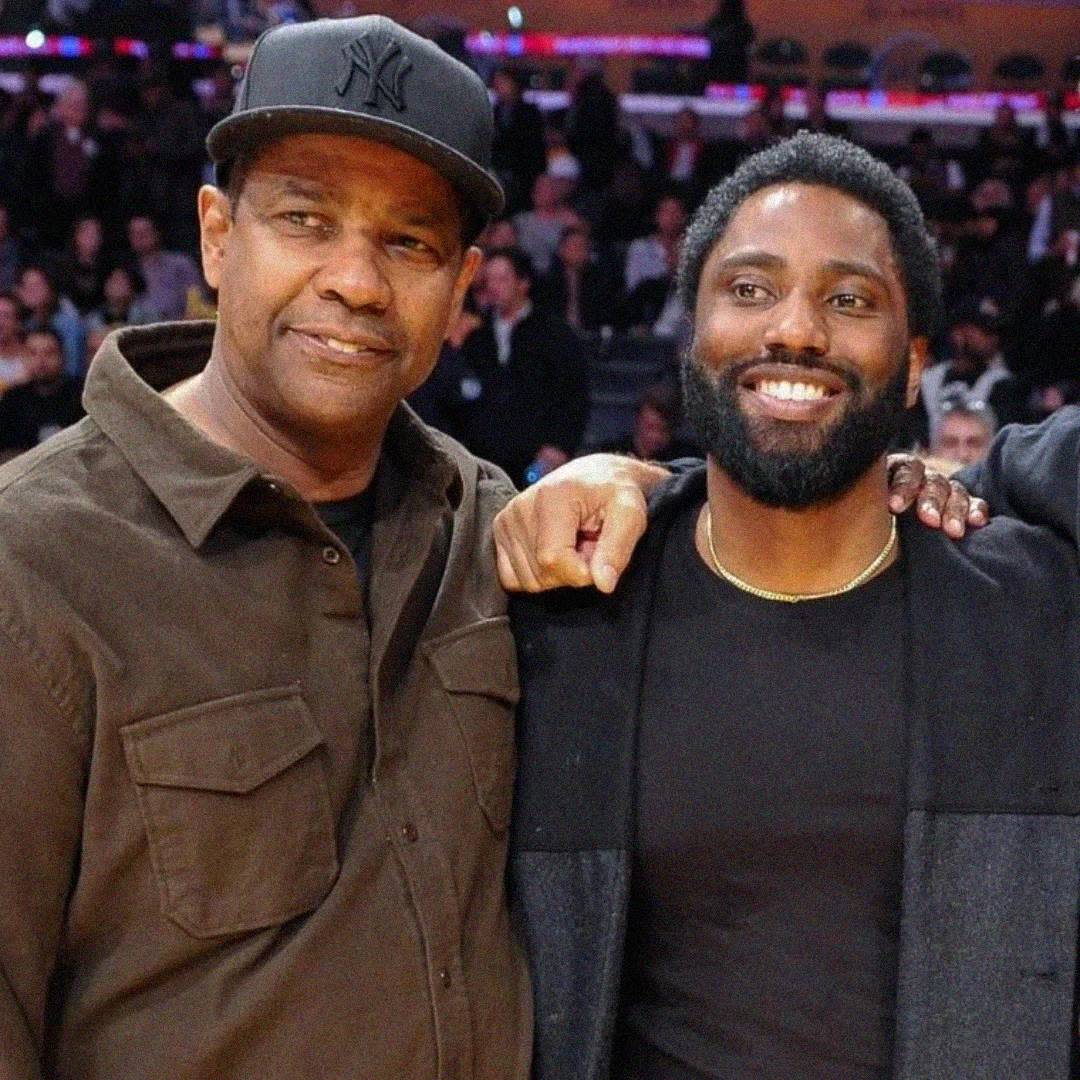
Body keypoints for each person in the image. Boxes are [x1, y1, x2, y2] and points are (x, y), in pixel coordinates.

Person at [0, 17, 528, 1077]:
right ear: (217, 234)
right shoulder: (31, 563)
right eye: (305, 217)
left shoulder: (490, 526)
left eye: (409, 242)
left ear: (463, 284)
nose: (357, 281)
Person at [505, 133, 1080, 1079]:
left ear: (912, 364)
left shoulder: (1035, 619)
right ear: (692, 331)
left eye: (849, 299)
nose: (797, 330)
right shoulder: (569, 606)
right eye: (749, 289)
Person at [455, 246, 588, 485]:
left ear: (523, 282)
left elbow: (574, 394)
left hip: (537, 461)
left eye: (502, 279)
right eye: (489, 279)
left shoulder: (553, 334)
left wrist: (560, 445)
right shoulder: (477, 337)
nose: (493, 287)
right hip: (484, 460)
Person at [0, 325, 83, 456]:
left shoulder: (80, 395)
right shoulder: (12, 398)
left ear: (63, 357)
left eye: (49, 353)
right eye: (33, 353)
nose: (41, 361)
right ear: (23, 357)